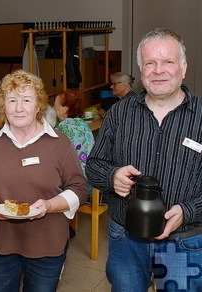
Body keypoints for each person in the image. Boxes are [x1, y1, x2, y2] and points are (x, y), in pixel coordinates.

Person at [85, 28, 202, 291]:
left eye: (168, 62)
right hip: (125, 240)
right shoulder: (119, 113)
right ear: (141, 70)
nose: (158, 70)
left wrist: (188, 211)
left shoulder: (201, 117)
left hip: (184, 243)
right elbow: (94, 166)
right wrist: (111, 176)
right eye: (150, 63)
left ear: (183, 68)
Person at [0, 69, 87, 291]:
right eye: (12, 100)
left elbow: (78, 189)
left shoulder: (59, 143)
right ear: (3, 106)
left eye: (26, 100)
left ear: (39, 105)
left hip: (47, 241)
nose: (19, 108)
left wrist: (50, 205)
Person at [53, 89, 94, 177]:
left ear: (65, 110)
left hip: (76, 180)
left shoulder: (64, 127)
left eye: (55, 107)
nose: (54, 109)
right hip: (91, 176)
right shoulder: (83, 124)